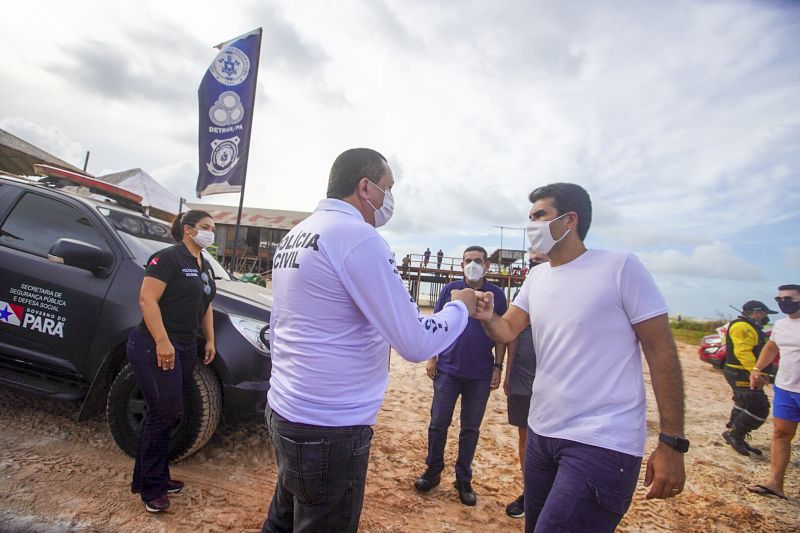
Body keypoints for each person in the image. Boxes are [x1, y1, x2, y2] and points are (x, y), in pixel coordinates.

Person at [262, 148, 477, 533]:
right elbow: (413, 341)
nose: (389, 198)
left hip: (285, 406)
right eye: (388, 188)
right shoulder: (358, 237)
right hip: (331, 425)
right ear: (365, 187)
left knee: (282, 519)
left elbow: (280, 321)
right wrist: (458, 308)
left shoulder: (297, 234)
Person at [474, 183, 687, 533]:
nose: (531, 226)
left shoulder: (620, 268)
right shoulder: (537, 276)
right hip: (543, 433)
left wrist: (672, 443)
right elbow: (507, 330)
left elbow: (662, 351)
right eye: (529, 217)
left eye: (539, 215)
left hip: (602, 442)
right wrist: (488, 318)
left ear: (569, 220)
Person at [127, 209, 217, 513]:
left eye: (213, 228)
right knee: (162, 413)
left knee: (170, 413)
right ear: (188, 230)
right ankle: (151, 489)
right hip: (154, 345)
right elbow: (146, 300)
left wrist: (211, 339)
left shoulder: (204, 264)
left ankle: (156, 477)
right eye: (206, 227)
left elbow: (205, 305)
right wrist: (163, 341)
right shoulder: (167, 258)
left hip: (186, 345)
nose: (211, 232)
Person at [414, 246, 507, 506]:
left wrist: (498, 367)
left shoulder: (496, 294)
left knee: (470, 428)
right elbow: (439, 323)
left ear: (487, 265)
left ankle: (463, 479)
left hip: (480, 374)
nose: (472, 264)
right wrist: (433, 356)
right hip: (448, 370)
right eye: (468, 261)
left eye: (477, 261)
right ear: (461, 264)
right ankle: (432, 471)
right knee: (438, 423)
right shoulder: (449, 290)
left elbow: (502, 333)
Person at [503, 251, 548, 519]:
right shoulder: (523, 295)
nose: (534, 267)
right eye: (531, 263)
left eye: (539, 262)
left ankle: (546, 493)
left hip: (552, 379)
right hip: (522, 374)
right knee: (524, 435)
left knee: (550, 439)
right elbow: (511, 334)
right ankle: (530, 492)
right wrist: (507, 372)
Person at [747, 284, 800, 499]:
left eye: (789, 298)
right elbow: (771, 347)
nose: (783, 302)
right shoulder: (781, 325)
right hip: (786, 389)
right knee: (781, 434)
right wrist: (757, 369)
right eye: (779, 299)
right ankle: (775, 483)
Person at [721, 300, 777, 456]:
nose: (766, 318)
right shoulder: (742, 326)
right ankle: (735, 434)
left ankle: (733, 431)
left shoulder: (750, 327)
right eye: (765, 314)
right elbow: (743, 352)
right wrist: (756, 372)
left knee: (744, 402)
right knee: (758, 407)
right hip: (740, 372)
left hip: (743, 371)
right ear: (756, 312)